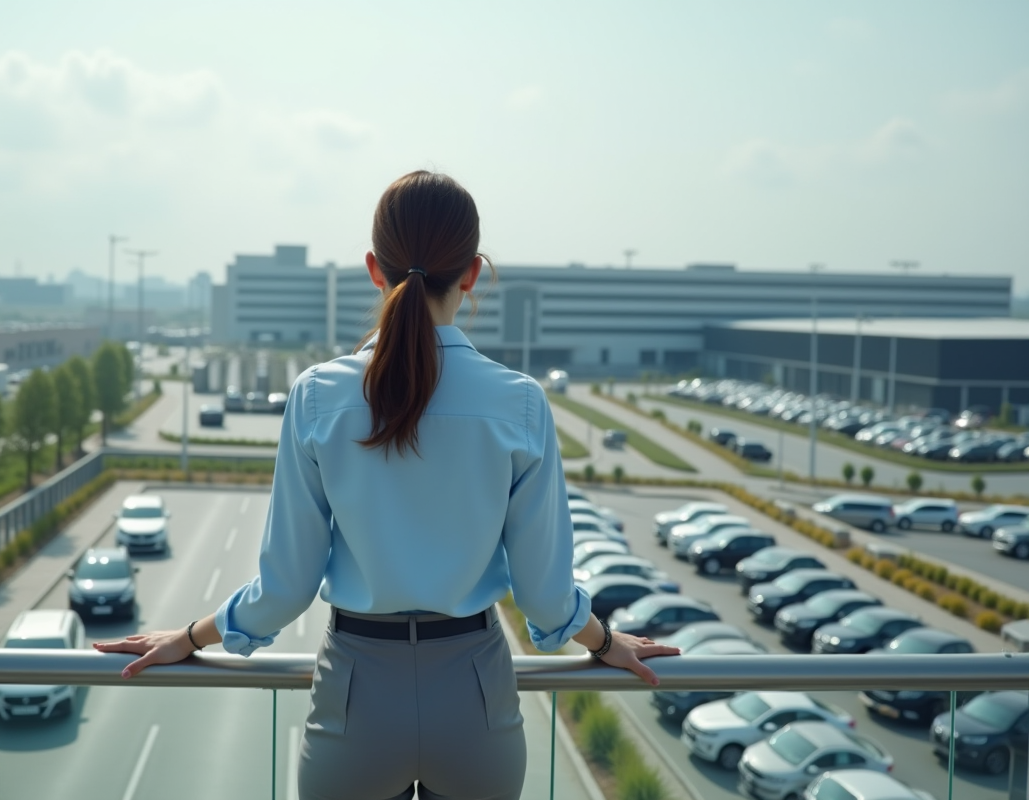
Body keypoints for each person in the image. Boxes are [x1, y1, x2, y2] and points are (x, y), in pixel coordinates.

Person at [94, 170, 680, 800]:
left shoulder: (317, 395)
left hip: (356, 691)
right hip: (476, 694)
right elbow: (544, 598)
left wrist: (188, 638)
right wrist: (607, 641)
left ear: (374, 269)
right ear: (472, 274)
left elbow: (285, 589)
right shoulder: (520, 403)